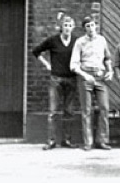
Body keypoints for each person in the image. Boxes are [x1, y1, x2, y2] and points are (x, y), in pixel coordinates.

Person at [32, 14, 80, 150]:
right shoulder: (53, 40)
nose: (67, 28)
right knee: (53, 111)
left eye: (70, 26)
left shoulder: (77, 41)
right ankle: (51, 141)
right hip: (56, 79)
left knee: (69, 111)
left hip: (71, 78)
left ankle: (67, 140)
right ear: (61, 27)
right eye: (65, 25)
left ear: (73, 27)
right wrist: (47, 64)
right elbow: (36, 51)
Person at [70, 16, 113, 151]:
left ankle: (102, 140)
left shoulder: (102, 40)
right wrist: (85, 75)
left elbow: (107, 58)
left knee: (104, 108)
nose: (91, 28)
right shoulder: (79, 42)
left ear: (96, 26)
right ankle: (88, 142)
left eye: (92, 25)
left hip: (100, 76)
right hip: (85, 76)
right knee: (87, 110)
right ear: (84, 28)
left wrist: (110, 71)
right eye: (87, 26)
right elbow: (73, 65)